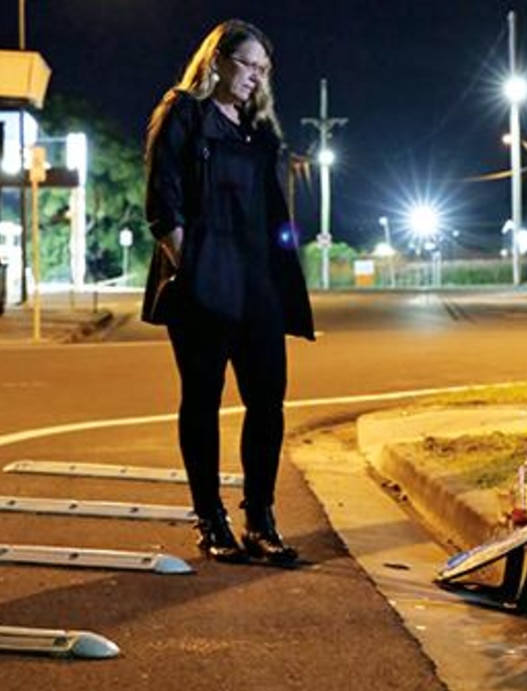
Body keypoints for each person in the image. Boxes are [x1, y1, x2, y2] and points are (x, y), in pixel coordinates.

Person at [142, 20, 315, 565]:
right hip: (201, 282)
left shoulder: (258, 129)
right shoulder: (183, 113)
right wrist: (190, 267)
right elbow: (161, 202)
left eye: (263, 70)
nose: (255, 78)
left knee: (268, 400)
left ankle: (260, 520)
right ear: (218, 61)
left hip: (257, 281)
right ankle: (210, 519)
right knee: (203, 400)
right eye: (248, 66)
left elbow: (270, 209)